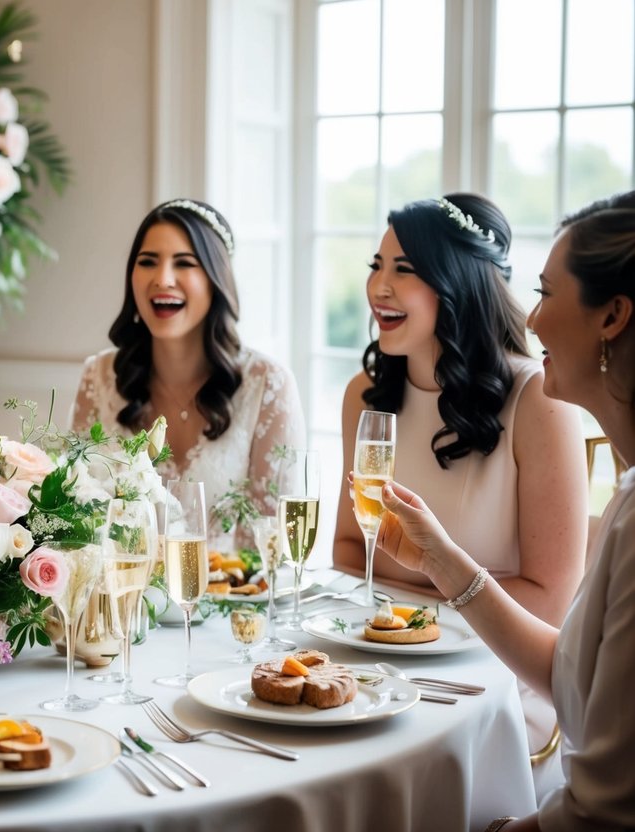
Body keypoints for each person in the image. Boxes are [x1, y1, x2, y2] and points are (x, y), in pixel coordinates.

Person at [375, 191, 635, 831]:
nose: (532, 319)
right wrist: (439, 558)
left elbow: (601, 812)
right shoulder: (630, 499)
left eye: (547, 294)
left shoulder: (628, 511)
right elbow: (575, 682)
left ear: (613, 317)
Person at [332, 194, 588, 777]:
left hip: (494, 682)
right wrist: (386, 640)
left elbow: (550, 601)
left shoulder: (538, 401)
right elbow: (349, 552)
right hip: (377, 664)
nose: (379, 288)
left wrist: (409, 607)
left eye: (405, 269)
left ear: (457, 283)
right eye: (377, 266)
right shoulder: (365, 397)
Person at [70, 199, 306, 547]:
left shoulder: (267, 385)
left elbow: (277, 542)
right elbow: (78, 520)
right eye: (147, 262)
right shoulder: (99, 377)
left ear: (216, 278)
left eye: (185, 263)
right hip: (125, 597)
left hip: (238, 598)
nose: (162, 279)